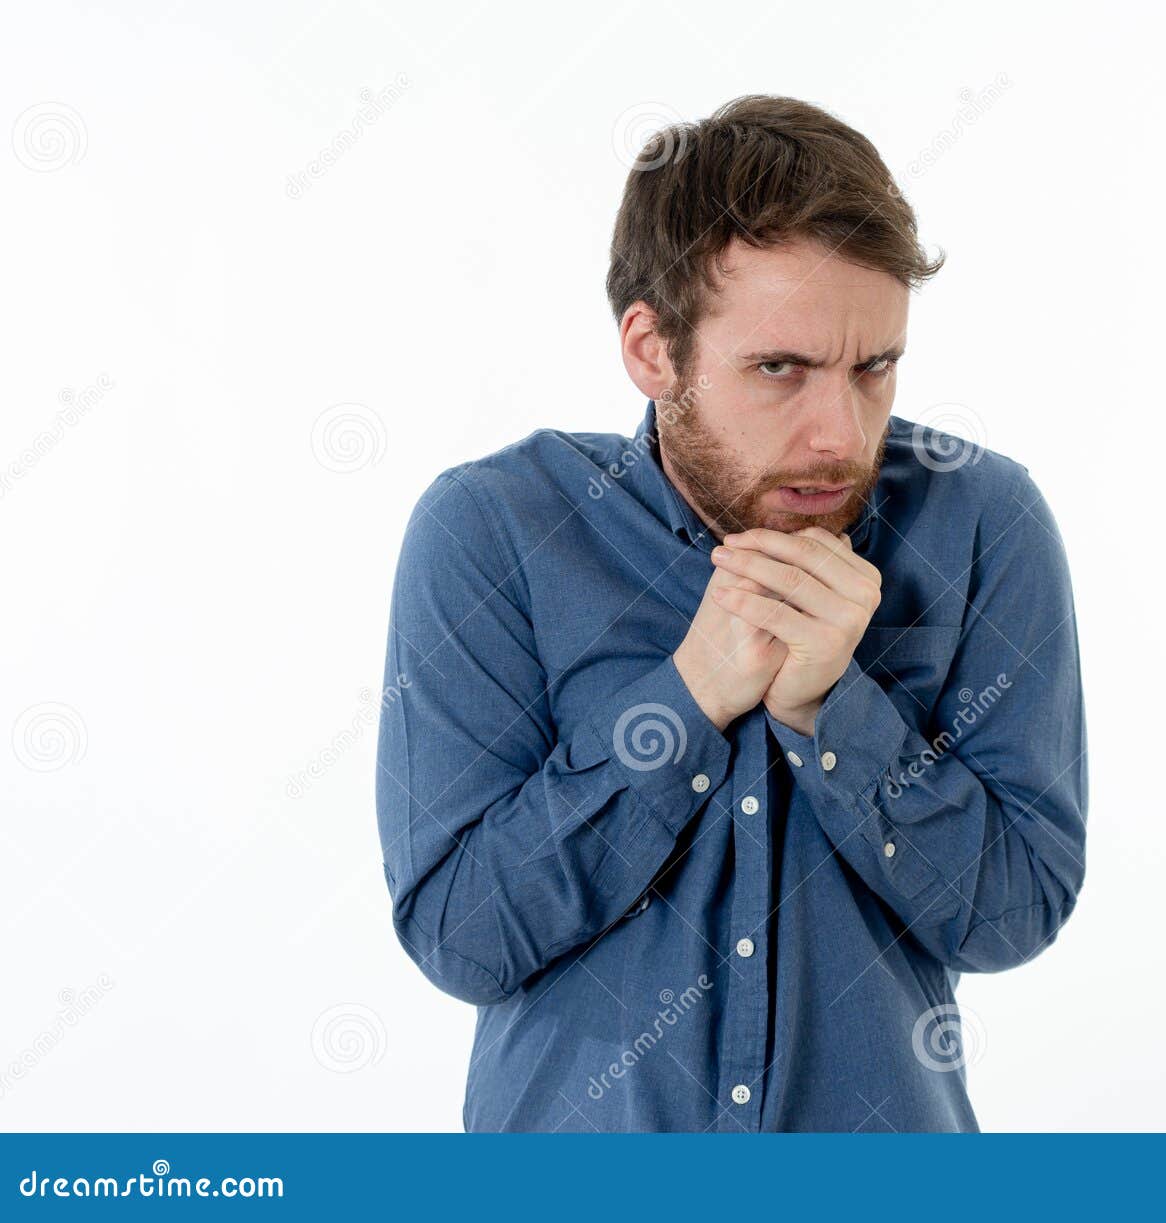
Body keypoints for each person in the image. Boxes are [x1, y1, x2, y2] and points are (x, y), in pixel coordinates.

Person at [375, 94, 1088, 1132]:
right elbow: (463, 935)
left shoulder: (982, 521)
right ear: (652, 349)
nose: (837, 434)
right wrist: (689, 696)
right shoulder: (494, 532)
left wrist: (834, 713)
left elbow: (1014, 913)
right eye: (779, 369)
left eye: (872, 367)